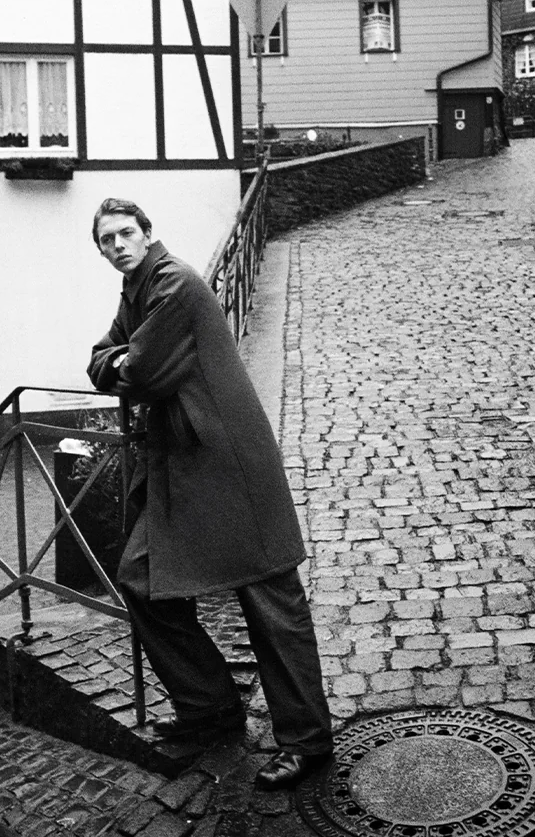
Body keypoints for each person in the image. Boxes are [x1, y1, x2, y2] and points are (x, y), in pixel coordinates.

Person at [85, 198, 335, 791]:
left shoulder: (174, 284)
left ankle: (307, 740)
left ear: (148, 233)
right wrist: (121, 360)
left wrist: (124, 362)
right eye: (106, 239)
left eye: (126, 233)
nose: (118, 245)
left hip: (228, 459)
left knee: (270, 599)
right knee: (143, 579)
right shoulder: (137, 289)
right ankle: (211, 706)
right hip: (185, 463)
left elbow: (143, 373)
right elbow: (102, 361)